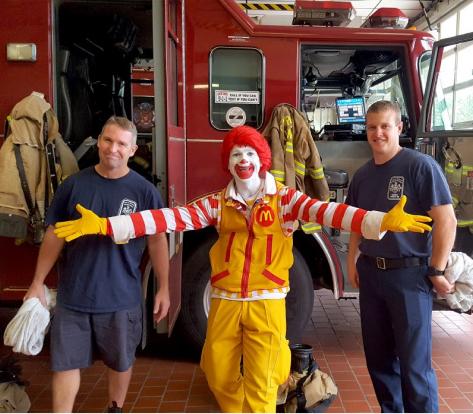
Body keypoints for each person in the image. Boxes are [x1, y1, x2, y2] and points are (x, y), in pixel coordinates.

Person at [53, 125, 432, 413]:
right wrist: (106, 225)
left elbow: (329, 211)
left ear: (262, 158)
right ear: (229, 163)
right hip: (225, 301)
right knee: (217, 371)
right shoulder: (218, 203)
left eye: (249, 152)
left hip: (267, 302)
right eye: (235, 154)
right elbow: (167, 218)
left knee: (263, 381)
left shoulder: (285, 199)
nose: (242, 160)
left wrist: (379, 221)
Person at [24, 116, 170, 413]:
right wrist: (37, 282)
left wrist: (165, 287)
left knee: (120, 361)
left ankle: (114, 409)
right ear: (99, 140)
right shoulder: (74, 185)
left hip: (121, 298)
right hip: (74, 296)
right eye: (107, 140)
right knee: (65, 364)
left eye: (121, 143)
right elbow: (54, 236)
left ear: (132, 150)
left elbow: (157, 241)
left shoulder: (144, 193)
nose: (112, 148)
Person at [345, 101, 457, 413]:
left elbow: (446, 220)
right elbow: (357, 221)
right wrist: (352, 259)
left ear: (399, 128)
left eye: (384, 126)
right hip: (372, 275)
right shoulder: (363, 175)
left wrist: (436, 268)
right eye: (371, 127)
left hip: (409, 277)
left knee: (414, 365)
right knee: (379, 360)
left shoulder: (420, 167)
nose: (377, 133)